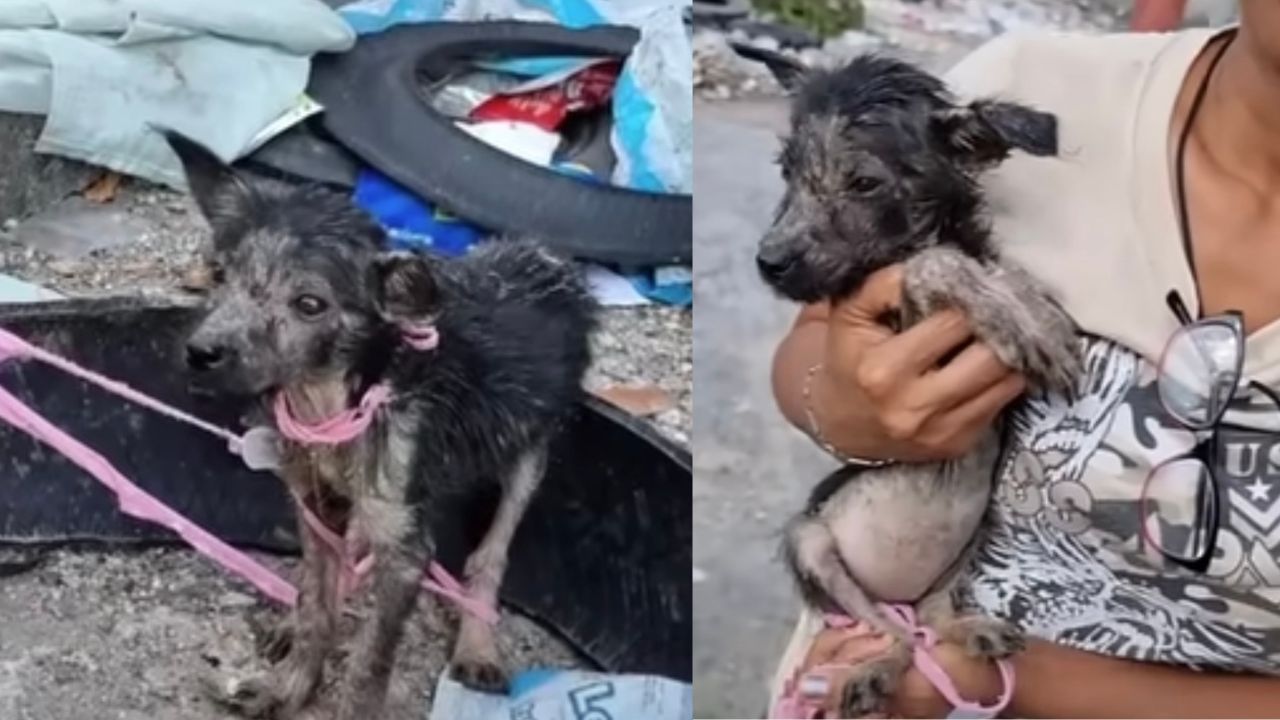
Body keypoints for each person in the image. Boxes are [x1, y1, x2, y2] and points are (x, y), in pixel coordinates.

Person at [768, 1, 1280, 716]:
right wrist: (848, 410)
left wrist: (990, 680)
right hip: (876, 667)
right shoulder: (1032, 86)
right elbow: (813, 344)